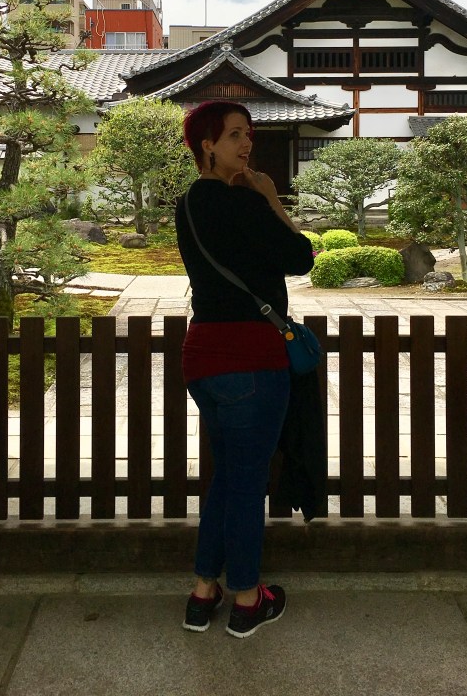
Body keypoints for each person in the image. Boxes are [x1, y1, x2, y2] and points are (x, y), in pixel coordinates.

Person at [175, 100, 314, 638]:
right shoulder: (247, 202)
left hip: (202, 356)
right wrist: (271, 199)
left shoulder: (187, 205)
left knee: (229, 476)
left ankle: (202, 590)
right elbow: (300, 257)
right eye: (234, 135)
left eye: (248, 133)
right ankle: (249, 598)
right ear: (207, 146)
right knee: (248, 482)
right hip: (251, 357)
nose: (247, 143)